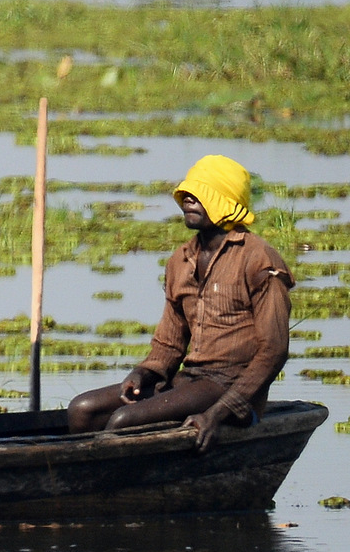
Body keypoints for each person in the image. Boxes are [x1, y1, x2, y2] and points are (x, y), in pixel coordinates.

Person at [66, 155, 292, 452]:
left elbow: (274, 351)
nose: (188, 200)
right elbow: (170, 345)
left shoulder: (258, 260)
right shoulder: (180, 260)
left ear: (226, 201)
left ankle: (119, 487)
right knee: (82, 409)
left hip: (231, 388)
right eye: (186, 194)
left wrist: (217, 413)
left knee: (124, 421)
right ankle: (88, 486)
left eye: (199, 195)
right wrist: (144, 373)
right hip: (189, 381)